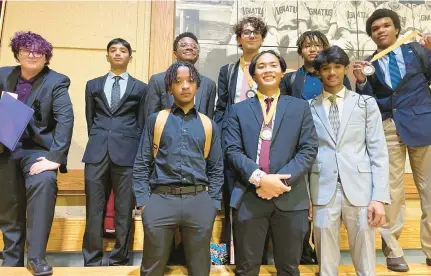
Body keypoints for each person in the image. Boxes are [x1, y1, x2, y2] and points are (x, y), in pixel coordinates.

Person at [224, 50, 318, 276]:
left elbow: (308, 149)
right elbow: (232, 150)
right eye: (262, 66)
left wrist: (279, 181)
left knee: (288, 268)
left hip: (290, 196)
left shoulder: (300, 107)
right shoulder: (238, 110)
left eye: (273, 65)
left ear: (282, 72)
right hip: (249, 196)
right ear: (253, 74)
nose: (268, 70)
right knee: (246, 269)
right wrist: (261, 179)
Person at [353, 8, 431, 272]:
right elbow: (367, 98)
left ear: (397, 28)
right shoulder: (369, 63)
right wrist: (362, 82)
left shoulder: (418, 51)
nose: (381, 31)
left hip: (423, 124)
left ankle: (430, 249)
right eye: (375, 29)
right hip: (387, 126)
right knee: (392, 192)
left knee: (429, 190)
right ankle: (393, 251)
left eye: (386, 25)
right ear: (371, 35)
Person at [133, 61, 223, 276]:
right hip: (160, 200)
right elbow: (142, 163)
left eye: (191, 81)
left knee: (200, 268)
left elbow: (217, 168)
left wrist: (213, 203)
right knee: (152, 267)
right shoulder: (157, 120)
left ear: (198, 87)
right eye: (178, 82)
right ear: (169, 87)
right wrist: (144, 202)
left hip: (199, 200)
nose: (185, 86)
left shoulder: (208, 124)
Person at [309, 45, 390, 275]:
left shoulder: (366, 104)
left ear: (345, 69)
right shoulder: (307, 108)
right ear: (319, 72)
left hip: (361, 189)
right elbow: (306, 154)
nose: (332, 72)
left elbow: (378, 152)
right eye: (326, 68)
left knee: (365, 260)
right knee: (325, 261)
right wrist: (307, 197)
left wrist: (379, 198)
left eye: (337, 67)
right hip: (322, 189)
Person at [0, 31, 74, 276]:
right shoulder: (2, 75)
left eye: (38, 51)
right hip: (5, 149)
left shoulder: (57, 81)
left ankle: (36, 257)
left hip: (36, 151)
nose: (32, 55)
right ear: (17, 53)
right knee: (9, 204)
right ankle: (11, 259)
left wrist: (55, 157)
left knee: (44, 181)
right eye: (26, 50)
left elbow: (65, 120)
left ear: (46, 57)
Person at [81, 38, 147, 266]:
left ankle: (120, 259)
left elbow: (141, 124)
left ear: (130, 56)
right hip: (96, 152)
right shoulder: (93, 85)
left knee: (123, 209)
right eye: (113, 50)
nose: (118, 54)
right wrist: (100, 138)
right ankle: (91, 259)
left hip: (127, 154)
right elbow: (91, 119)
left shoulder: (141, 88)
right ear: (107, 55)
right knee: (94, 208)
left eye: (123, 50)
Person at [214, 16, 269, 263]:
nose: (251, 35)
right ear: (238, 39)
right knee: (232, 200)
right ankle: (231, 257)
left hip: (264, 139)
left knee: (263, 199)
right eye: (246, 32)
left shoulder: (270, 67)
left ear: (262, 38)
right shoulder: (227, 70)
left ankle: (262, 256)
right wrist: (221, 137)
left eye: (256, 31)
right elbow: (221, 107)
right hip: (234, 140)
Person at [143, 32, 216, 122]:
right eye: (184, 45)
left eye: (193, 46)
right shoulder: (158, 80)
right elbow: (149, 119)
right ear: (174, 53)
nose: (189, 48)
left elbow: (209, 121)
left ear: (197, 55)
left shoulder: (209, 85)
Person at [280, 30, 352, 99]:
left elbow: (348, 103)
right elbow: (284, 107)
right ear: (300, 51)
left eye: (317, 45)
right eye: (307, 46)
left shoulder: (338, 76)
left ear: (325, 49)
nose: (312, 50)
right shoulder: (288, 79)